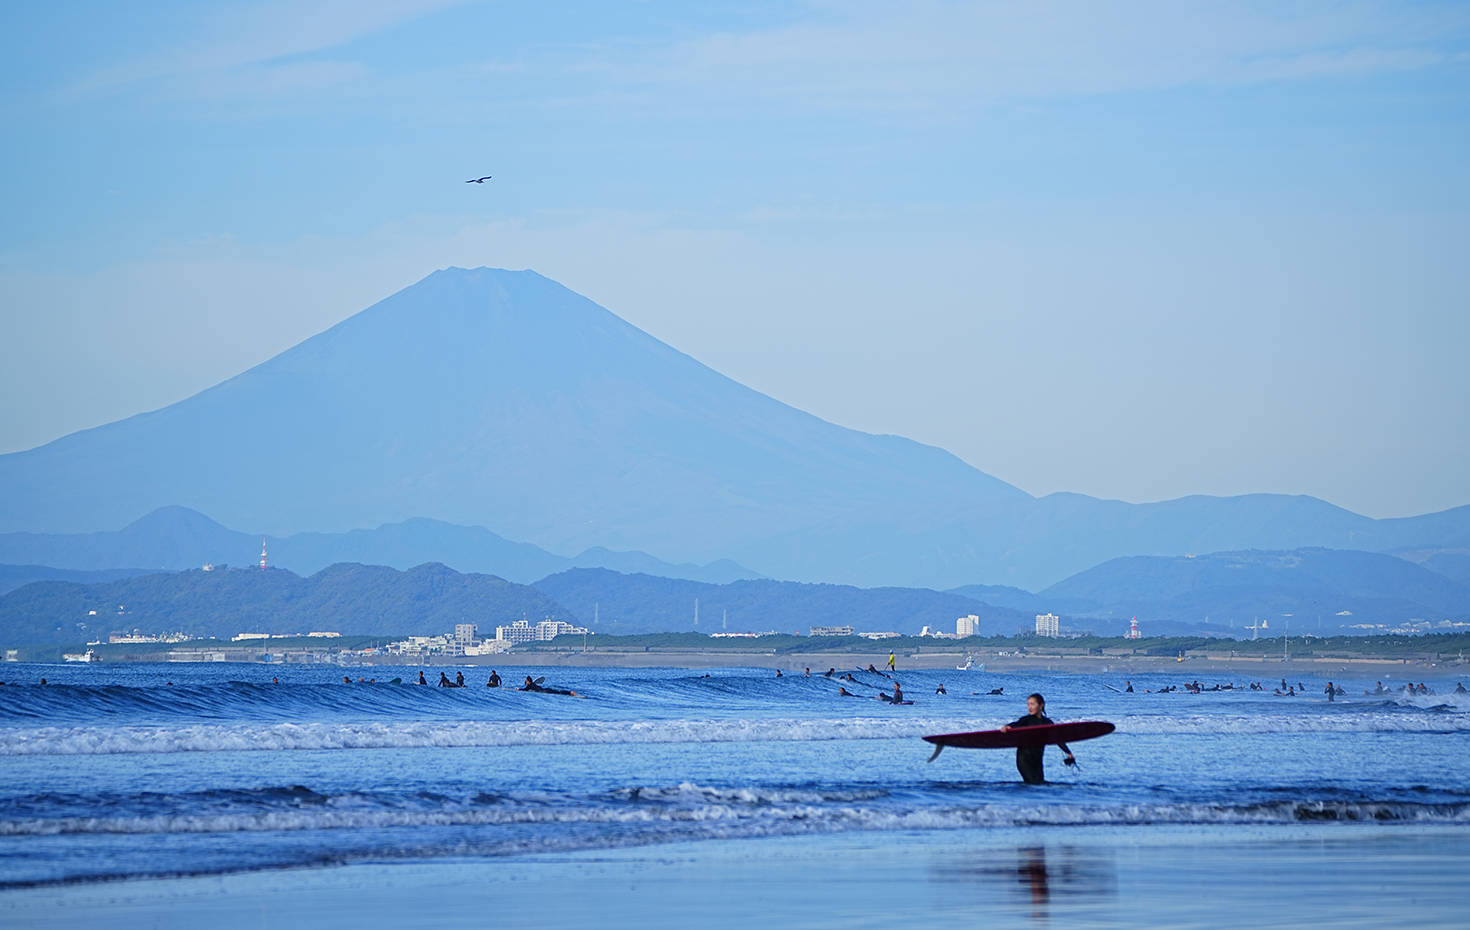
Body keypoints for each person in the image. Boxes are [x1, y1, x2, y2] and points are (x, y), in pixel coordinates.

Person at [1000, 693, 1074, 785]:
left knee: (1041, 783)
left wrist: (1068, 752)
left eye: (1032, 704)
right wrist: (1007, 727)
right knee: (1031, 782)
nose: (1029, 707)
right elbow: (1015, 725)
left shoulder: (1047, 723)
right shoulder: (1026, 720)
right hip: (1024, 758)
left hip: (1038, 758)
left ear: (1041, 705)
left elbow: (1057, 738)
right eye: (1028, 704)